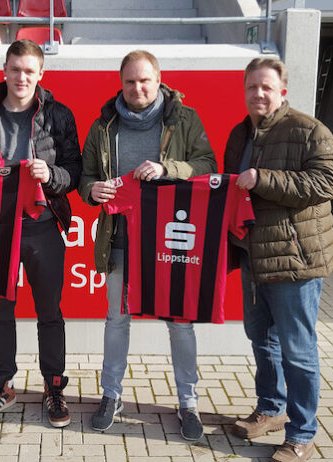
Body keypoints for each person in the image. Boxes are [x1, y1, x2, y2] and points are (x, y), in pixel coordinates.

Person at [78, 50, 217, 441]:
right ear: (120, 83)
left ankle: (188, 403)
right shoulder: (104, 126)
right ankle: (111, 395)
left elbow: (207, 165)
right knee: (116, 320)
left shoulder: (185, 120)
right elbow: (85, 177)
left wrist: (167, 169)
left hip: (171, 241)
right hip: (120, 239)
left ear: (158, 80)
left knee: (180, 323)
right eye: (130, 82)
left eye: (144, 81)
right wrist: (93, 190)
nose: (137, 88)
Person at [224, 58, 333, 462]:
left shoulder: (309, 130)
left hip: (295, 260)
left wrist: (265, 179)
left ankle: (302, 432)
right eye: (252, 87)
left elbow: (331, 181)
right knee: (262, 341)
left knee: (298, 350)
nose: (258, 94)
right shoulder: (240, 134)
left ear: (282, 91)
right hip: (254, 258)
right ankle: (270, 408)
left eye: (266, 87)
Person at [0, 39, 82, 428]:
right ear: (5, 70)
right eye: (16, 69)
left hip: (43, 225)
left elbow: (75, 170)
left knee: (49, 312)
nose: (22, 77)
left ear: (41, 74)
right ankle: (3, 385)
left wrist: (53, 176)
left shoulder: (59, 114)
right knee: (0, 311)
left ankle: (53, 387)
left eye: (30, 71)